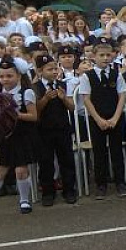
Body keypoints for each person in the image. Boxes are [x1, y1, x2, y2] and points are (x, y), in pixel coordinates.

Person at [0, 61, 39, 215]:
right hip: (6, 137)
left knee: (21, 170)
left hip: (23, 135)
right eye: (2, 76)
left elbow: (34, 116)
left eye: (9, 76)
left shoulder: (26, 92)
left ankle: (24, 200)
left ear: (19, 76)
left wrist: (16, 114)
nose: (5, 79)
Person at [78, 40, 126, 199]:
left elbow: (122, 96)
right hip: (97, 119)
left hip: (114, 118)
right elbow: (86, 99)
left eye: (108, 55)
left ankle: (120, 182)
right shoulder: (87, 76)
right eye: (101, 55)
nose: (105, 58)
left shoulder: (116, 74)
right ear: (94, 57)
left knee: (117, 151)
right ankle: (101, 184)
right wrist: (98, 119)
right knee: (99, 152)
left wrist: (115, 118)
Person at [32, 55, 79, 205]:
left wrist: (63, 98)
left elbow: (72, 107)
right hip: (44, 130)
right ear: (40, 71)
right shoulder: (35, 87)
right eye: (49, 69)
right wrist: (45, 99)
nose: (54, 72)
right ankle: (48, 192)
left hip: (62, 128)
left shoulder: (61, 84)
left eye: (55, 68)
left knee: (66, 160)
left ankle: (69, 190)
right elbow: (35, 110)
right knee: (46, 161)